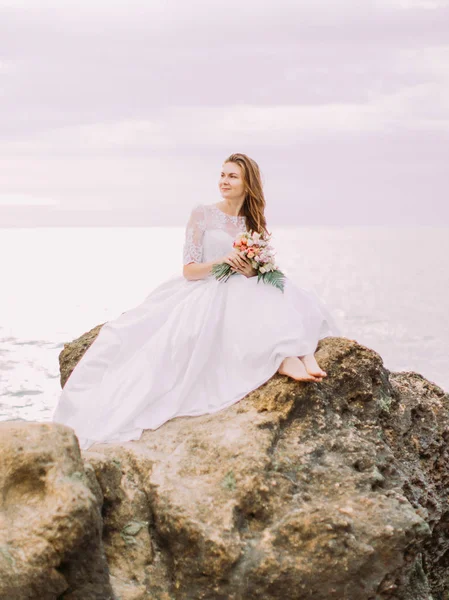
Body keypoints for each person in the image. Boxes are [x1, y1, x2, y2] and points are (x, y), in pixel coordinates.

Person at [52, 153, 341, 450]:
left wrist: (252, 268)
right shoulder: (202, 214)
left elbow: (263, 267)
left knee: (276, 288)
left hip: (242, 284)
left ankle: (305, 354)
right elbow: (189, 271)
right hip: (206, 286)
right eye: (222, 175)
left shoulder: (253, 221)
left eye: (232, 176)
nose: (224, 181)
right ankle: (284, 358)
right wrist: (223, 263)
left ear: (247, 183)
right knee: (246, 293)